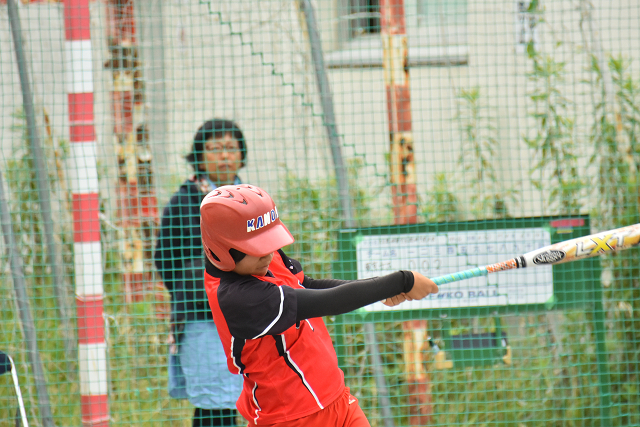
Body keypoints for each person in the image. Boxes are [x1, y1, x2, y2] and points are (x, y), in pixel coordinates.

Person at [200, 184, 439, 427]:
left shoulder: (261, 261)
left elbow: (307, 285)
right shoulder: (236, 297)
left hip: (337, 400)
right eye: (257, 248)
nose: (269, 254)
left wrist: (379, 290)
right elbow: (327, 303)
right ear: (222, 249)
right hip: (291, 418)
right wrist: (402, 280)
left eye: (269, 243)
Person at [155, 119, 247, 426]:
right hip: (202, 318)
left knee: (245, 402)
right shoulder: (183, 203)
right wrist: (198, 288)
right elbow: (165, 259)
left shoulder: (251, 200)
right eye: (215, 148)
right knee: (214, 406)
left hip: (248, 315)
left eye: (231, 148)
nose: (224, 156)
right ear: (199, 155)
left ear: (242, 154)